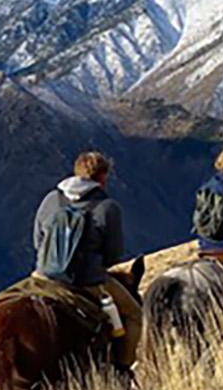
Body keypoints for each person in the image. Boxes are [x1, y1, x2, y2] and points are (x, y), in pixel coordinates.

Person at [33, 152, 142, 375]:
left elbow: (38, 241)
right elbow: (114, 255)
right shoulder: (107, 207)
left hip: (44, 277)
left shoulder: (51, 199)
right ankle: (122, 368)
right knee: (133, 314)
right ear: (102, 177)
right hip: (86, 282)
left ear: (76, 172)